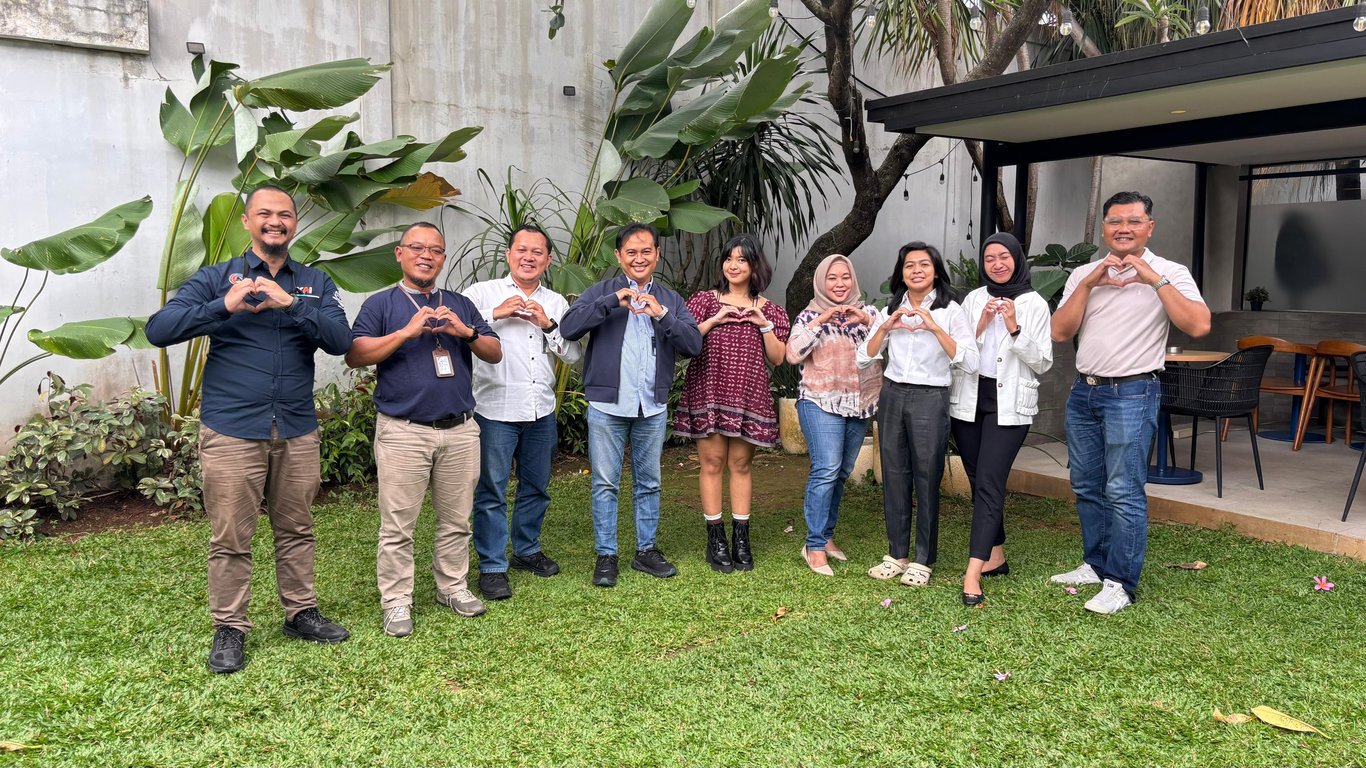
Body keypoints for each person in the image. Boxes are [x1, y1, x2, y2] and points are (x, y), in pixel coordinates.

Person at [145, 184, 353, 674]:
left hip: (296, 427)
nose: (275, 221)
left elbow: (341, 340)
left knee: (297, 528)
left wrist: (291, 303)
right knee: (231, 536)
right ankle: (230, 627)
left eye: (285, 214)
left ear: (294, 224)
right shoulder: (216, 278)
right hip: (233, 429)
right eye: (265, 213)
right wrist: (223, 305)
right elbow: (159, 328)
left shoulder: (314, 282)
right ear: (247, 221)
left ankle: (300, 612)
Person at [1050, 191, 1210, 615]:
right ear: (1103, 227)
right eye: (1115, 221)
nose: (1124, 228)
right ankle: (1095, 564)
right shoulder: (1084, 273)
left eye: (1134, 221)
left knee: (1123, 489)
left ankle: (1120, 582)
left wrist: (1151, 278)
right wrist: (1090, 283)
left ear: (1149, 227)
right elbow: (1060, 331)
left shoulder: (1170, 271)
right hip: (1084, 391)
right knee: (1086, 484)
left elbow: (1198, 325)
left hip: (1133, 393)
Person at [346, 222, 504, 637]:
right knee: (398, 526)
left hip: (460, 430)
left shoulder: (460, 304)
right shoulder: (380, 304)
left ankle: (451, 587)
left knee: (457, 520)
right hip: (404, 431)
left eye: (435, 250)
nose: (426, 255)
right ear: (399, 254)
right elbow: (356, 355)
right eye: (417, 248)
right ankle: (397, 600)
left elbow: (494, 352)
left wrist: (465, 331)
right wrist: (405, 332)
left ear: (443, 258)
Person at [560, 223, 703, 587]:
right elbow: (569, 327)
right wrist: (611, 302)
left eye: (646, 251)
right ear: (619, 256)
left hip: (651, 405)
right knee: (605, 483)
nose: (639, 258)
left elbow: (692, 344)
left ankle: (646, 551)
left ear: (657, 254)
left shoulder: (670, 299)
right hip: (607, 405)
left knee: (649, 482)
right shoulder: (602, 291)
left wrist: (662, 314)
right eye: (631, 252)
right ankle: (606, 555)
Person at [463, 224, 583, 601]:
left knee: (536, 487)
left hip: (540, 409)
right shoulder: (481, 294)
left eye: (537, 252)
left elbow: (572, 354)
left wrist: (547, 324)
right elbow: (456, 330)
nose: (528, 257)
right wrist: (496, 314)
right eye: (522, 250)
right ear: (509, 254)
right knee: (492, 490)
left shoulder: (557, 302)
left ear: (548, 260)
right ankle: (492, 566)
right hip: (494, 408)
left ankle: (527, 550)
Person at [858, 242, 978, 588]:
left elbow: (970, 361)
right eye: (909, 265)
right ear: (901, 272)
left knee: (926, 477)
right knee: (894, 474)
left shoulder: (950, 310)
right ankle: (897, 554)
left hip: (930, 397)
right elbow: (863, 356)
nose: (916, 271)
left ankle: (923, 559)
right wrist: (886, 326)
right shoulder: (891, 308)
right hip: (893, 394)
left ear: (936, 271)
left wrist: (933, 327)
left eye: (924, 264)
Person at [949, 232, 1053, 606]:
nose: (997, 264)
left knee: (990, 482)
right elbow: (958, 352)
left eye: (1004, 256)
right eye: (990, 258)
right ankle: (995, 556)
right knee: (979, 479)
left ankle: (973, 573)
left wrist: (1013, 327)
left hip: (1008, 405)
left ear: (1017, 259)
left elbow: (1043, 362)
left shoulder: (1034, 304)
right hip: (969, 400)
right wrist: (979, 326)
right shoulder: (973, 299)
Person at [674, 234, 788, 573]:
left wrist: (763, 325)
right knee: (711, 463)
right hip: (709, 390)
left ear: (754, 265)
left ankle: (741, 538)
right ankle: (716, 539)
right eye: (728, 258)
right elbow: (683, 344)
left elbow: (778, 357)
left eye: (741, 259)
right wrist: (713, 321)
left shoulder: (770, 310)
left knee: (741, 465)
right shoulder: (704, 301)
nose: (733, 265)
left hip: (747, 395)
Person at [786, 254, 882, 576]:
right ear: (821, 282)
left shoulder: (869, 314)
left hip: (859, 403)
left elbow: (890, 340)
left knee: (841, 472)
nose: (839, 284)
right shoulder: (809, 315)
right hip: (819, 401)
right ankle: (813, 546)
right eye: (832, 278)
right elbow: (792, 354)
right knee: (826, 469)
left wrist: (865, 320)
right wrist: (821, 320)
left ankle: (826, 536)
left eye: (845, 277)